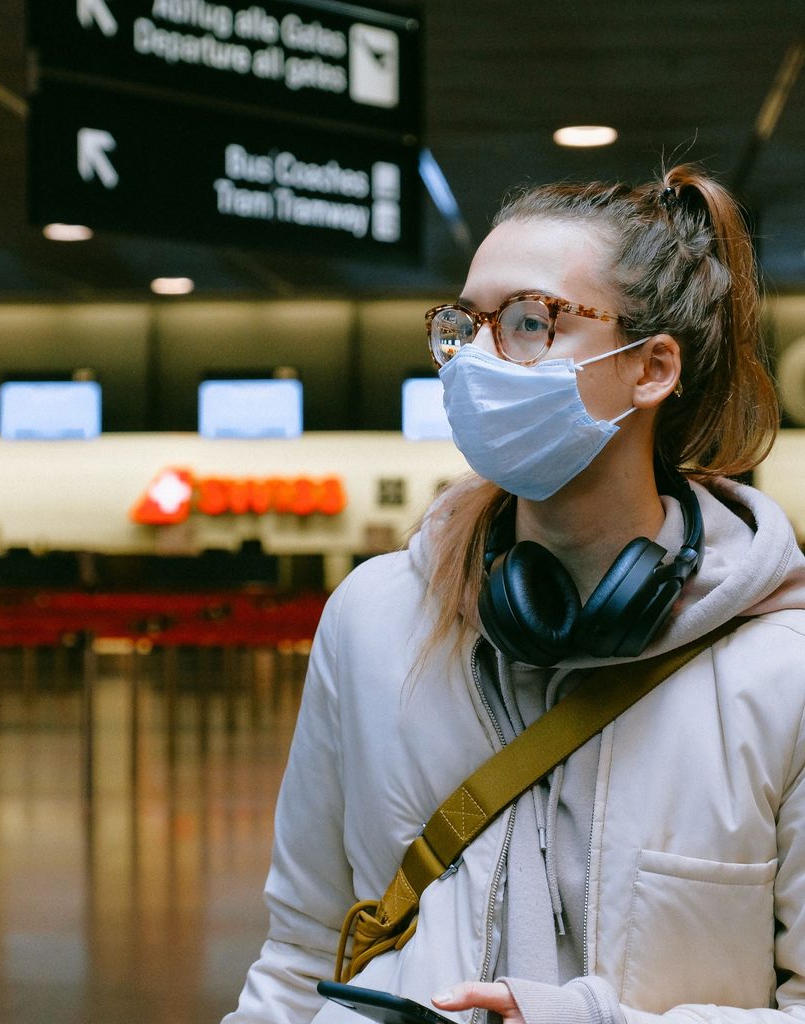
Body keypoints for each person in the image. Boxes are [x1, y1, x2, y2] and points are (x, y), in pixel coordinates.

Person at [222, 165, 805, 1024]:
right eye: (466, 324)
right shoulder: (374, 618)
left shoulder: (781, 672)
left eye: (532, 323)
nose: (477, 360)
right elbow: (300, 955)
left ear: (650, 368)